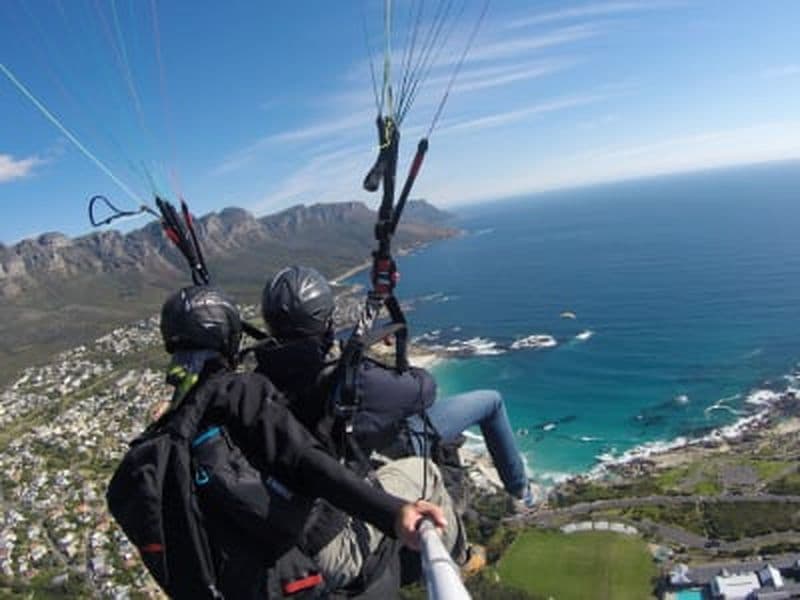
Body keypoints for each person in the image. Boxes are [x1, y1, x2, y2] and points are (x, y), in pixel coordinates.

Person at [157, 284, 453, 598]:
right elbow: (306, 461)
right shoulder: (240, 391)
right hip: (323, 545)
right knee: (425, 471)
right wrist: (392, 513)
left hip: (260, 562)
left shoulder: (172, 423)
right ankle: (457, 562)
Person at [256, 265, 539, 508]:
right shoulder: (352, 380)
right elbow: (425, 389)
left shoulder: (260, 380)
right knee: (492, 401)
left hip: (330, 459)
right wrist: (385, 360)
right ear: (327, 322)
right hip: (394, 443)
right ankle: (521, 490)